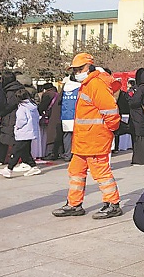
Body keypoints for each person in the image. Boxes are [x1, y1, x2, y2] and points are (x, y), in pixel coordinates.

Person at [52, 53, 123, 219]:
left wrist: (110, 130)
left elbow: (110, 111)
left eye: (79, 69)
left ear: (90, 67)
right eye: (75, 70)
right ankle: (74, 204)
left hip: (94, 139)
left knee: (101, 173)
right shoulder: (88, 84)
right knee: (76, 171)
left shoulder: (96, 84)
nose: (76, 72)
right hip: (84, 139)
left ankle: (113, 204)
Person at [0, 89, 42, 177]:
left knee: (16, 151)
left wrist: (16, 126)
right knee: (25, 152)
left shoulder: (22, 108)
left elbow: (21, 120)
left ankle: (9, 168)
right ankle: (33, 166)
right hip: (30, 132)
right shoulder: (33, 106)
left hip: (23, 133)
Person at [0, 72, 26, 171]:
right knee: (14, 141)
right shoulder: (17, 88)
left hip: (10, 118)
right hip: (14, 117)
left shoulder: (11, 91)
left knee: (4, 139)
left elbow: (9, 105)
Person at [59, 74, 81, 160]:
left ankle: (67, 155)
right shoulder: (80, 87)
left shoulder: (65, 88)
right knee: (78, 136)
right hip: (77, 114)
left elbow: (59, 101)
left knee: (67, 135)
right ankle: (78, 155)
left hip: (66, 115)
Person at [38, 83, 62, 160]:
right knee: (58, 134)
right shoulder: (58, 94)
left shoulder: (47, 94)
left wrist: (39, 112)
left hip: (51, 116)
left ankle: (50, 153)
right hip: (59, 116)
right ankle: (58, 153)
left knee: (51, 135)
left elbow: (42, 106)